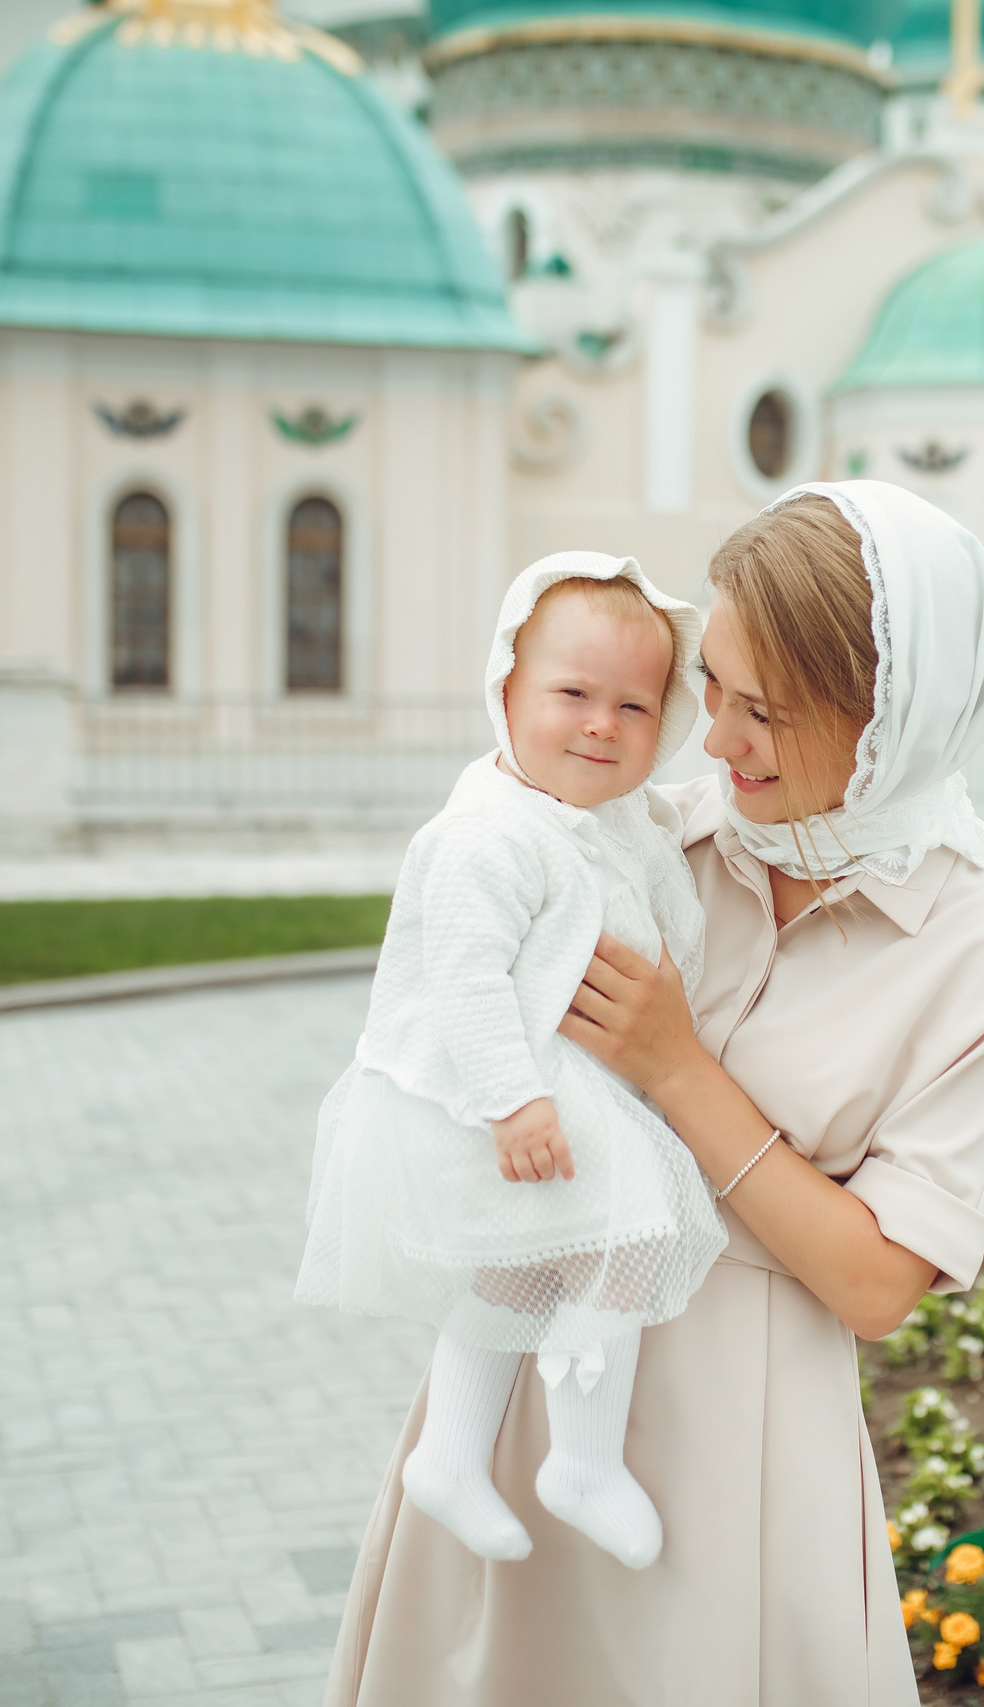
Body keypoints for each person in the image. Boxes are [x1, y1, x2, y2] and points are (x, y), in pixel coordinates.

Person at [319, 482, 984, 1704]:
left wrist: (676, 1069)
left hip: (744, 1457)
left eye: (764, 711)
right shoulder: (639, 831)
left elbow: (876, 1286)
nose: (713, 741)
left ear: (892, 722)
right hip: (533, 1414)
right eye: (710, 685)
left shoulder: (976, 955)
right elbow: (463, 939)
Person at [295, 552, 724, 1572]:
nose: (600, 726)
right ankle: (580, 1460)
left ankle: (447, 1457)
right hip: (502, 1095)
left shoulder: (611, 815)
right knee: (638, 1229)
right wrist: (513, 1101)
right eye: (571, 694)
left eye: (633, 706)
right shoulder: (488, 835)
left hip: (562, 1087)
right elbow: (464, 977)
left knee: (518, 1276)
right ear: (504, 691)